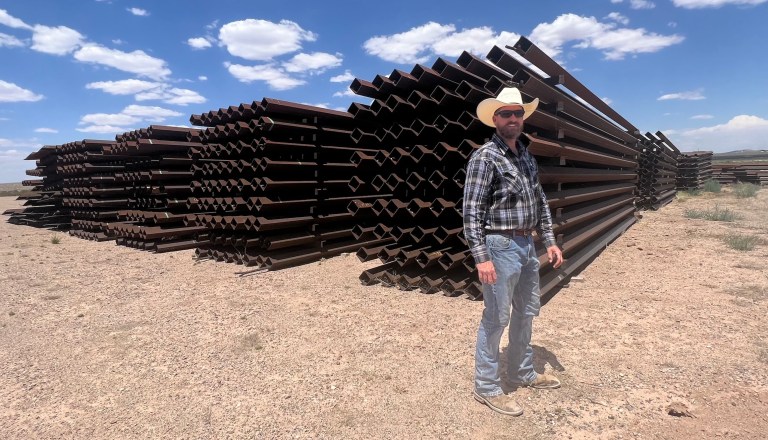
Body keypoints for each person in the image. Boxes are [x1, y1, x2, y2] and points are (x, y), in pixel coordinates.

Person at [462, 86, 564, 416]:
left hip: (526, 244)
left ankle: (522, 372)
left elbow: (540, 202)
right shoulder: (485, 157)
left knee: (526, 310)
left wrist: (549, 239)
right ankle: (487, 386)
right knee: (496, 318)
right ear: (495, 119)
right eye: (506, 113)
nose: (513, 118)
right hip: (499, 245)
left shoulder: (525, 156)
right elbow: (471, 210)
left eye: (518, 113)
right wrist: (482, 257)